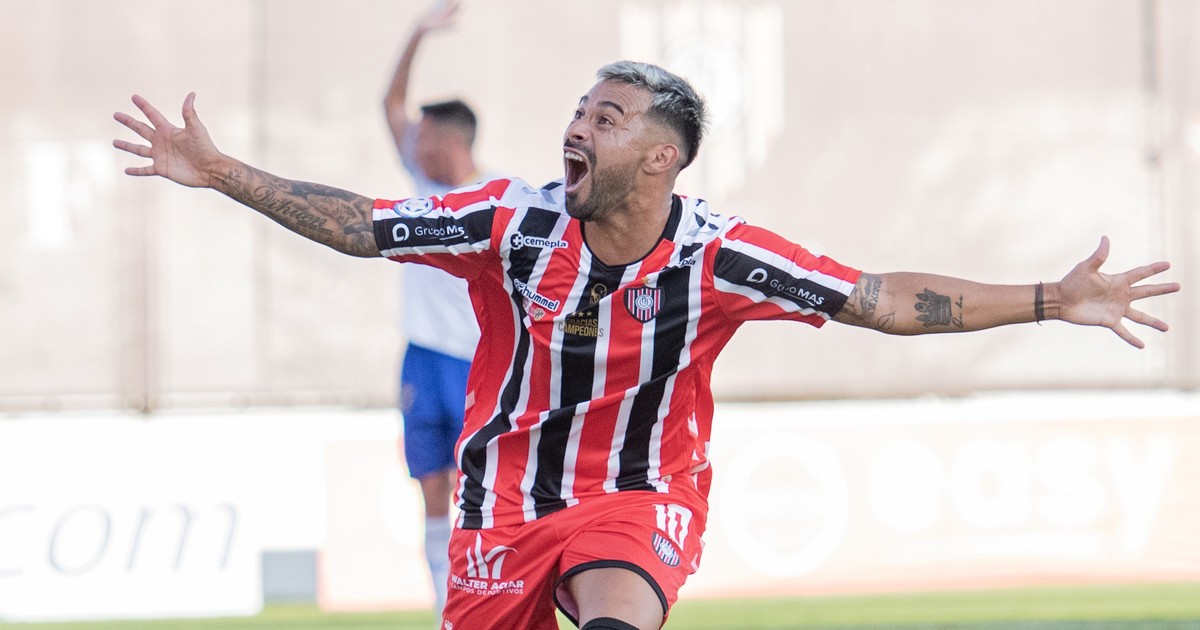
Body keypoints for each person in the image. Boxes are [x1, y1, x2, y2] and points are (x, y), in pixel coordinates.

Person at [113, 60, 1178, 630]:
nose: (577, 128)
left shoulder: (720, 256)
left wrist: (1051, 298)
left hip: (638, 494)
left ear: (662, 158)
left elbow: (879, 299)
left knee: (618, 615)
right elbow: (367, 226)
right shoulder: (511, 223)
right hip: (501, 506)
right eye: (580, 110)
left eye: (607, 117)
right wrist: (225, 173)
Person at [382, 0, 484, 616]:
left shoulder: (497, 199)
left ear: (448, 141)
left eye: (422, 136)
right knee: (431, 489)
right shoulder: (423, 190)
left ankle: (487, 597)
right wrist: (417, 33)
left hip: (477, 362)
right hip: (422, 357)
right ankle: (446, 606)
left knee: (481, 489)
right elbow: (391, 105)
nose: (411, 144)